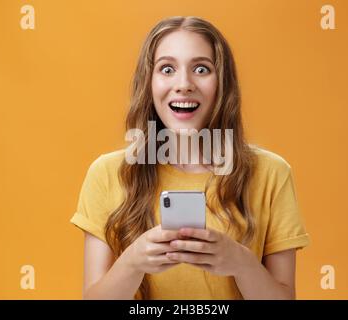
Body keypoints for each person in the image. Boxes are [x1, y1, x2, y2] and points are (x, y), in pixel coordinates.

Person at [70, 16, 310, 300]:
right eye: (167, 69)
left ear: (223, 84)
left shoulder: (271, 173)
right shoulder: (107, 173)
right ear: (148, 83)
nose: (184, 84)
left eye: (201, 68)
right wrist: (133, 261)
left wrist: (240, 262)